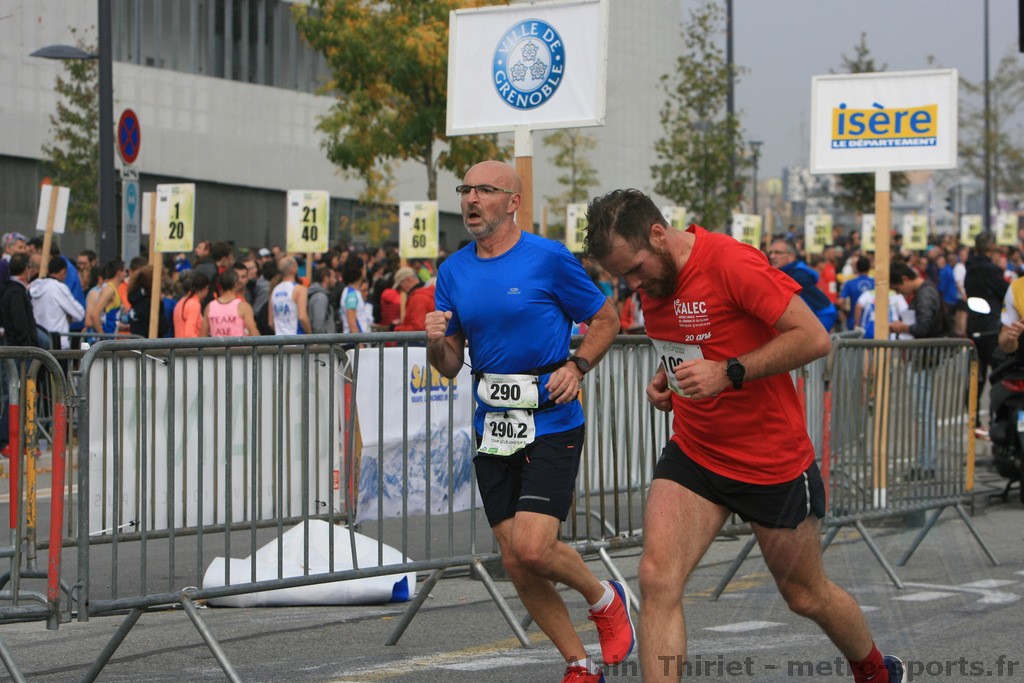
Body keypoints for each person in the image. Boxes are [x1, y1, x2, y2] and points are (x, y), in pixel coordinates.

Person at [582, 189, 904, 683]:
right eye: (621, 276)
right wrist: (668, 378)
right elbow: (692, 341)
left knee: (805, 595)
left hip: (769, 460)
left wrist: (729, 371)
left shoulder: (730, 262)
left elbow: (814, 338)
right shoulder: (653, 278)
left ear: (658, 234)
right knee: (656, 578)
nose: (632, 284)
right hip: (695, 451)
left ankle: (876, 671)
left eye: (635, 269)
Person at [425, 161, 627, 683]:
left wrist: (577, 366)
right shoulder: (453, 271)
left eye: (485, 190)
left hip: (552, 420)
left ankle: (605, 598)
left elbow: (606, 318)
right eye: (466, 189)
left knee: (535, 546)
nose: (471, 199)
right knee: (516, 560)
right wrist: (434, 342)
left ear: (513, 202)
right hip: (493, 426)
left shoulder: (549, 257)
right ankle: (579, 664)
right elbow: (450, 364)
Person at [890, 260, 949, 480]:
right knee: (923, 413)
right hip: (924, 358)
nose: (900, 293)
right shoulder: (927, 290)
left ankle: (927, 464)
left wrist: (902, 327)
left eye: (898, 288)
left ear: (905, 279)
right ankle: (925, 462)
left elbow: (923, 326)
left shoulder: (925, 293)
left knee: (924, 414)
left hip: (925, 358)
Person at [964, 232, 1009, 438]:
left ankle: (974, 422)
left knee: (976, 376)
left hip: (974, 326)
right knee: (1000, 375)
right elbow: (1006, 293)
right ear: (991, 248)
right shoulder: (991, 270)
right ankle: (997, 421)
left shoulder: (969, 268)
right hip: (992, 327)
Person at [768, 238, 838, 332]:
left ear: (791, 255)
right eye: (770, 252)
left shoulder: (798, 277)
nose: (772, 256)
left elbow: (827, 309)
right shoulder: (784, 273)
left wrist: (815, 333)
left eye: (778, 252)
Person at [29, 256, 84, 349]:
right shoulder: (58, 287)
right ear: (63, 272)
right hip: (57, 343)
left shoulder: (34, 285)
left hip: (38, 341)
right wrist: (68, 316)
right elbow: (80, 313)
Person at [201, 269, 259, 337]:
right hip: (238, 343)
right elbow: (254, 333)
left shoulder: (209, 307)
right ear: (236, 284)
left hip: (217, 344)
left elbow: (202, 337)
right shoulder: (243, 306)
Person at [85, 259, 127, 337]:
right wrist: (102, 336)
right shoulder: (109, 289)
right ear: (118, 272)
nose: (126, 274)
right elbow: (94, 314)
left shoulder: (113, 289)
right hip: (105, 337)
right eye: (124, 271)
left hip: (110, 336)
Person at [269, 256, 309, 335]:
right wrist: (310, 335)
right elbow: (302, 317)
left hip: (279, 339)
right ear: (293, 269)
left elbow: (271, 322)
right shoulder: (300, 289)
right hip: (297, 338)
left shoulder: (274, 290)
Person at [393, 268, 435, 333]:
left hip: (422, 338)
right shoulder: (427, 292)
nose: (401, 290)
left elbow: (418, 327)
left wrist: (397, 329)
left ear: (408, 280)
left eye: (400, 287)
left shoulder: (418, 298)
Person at [839, 255, 874, 331]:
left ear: (856, 268)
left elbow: (840, 301)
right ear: (869, 268)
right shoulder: (875, 283)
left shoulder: (849, 283)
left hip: (853, 321)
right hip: (871, 321)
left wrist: (843, 312)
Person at [173, 271, 211, 338]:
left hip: (179, 342)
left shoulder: (181, 302)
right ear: (205, 288)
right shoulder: (194, 304)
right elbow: (189, 334)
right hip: (190, 344)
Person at [307, 265, 338, 334]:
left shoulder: (319, 295)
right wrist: (321, 338)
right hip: (324, 339)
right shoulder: (321, 297)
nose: (335, 281)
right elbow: (318, 323)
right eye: (333, 277)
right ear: (326, 278)